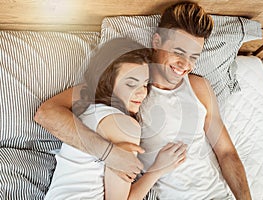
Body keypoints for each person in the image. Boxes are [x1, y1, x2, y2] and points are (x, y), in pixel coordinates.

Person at [35, 1, 252, 199]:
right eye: (178, 52)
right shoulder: (122, 83)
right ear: (156, 41)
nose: (184, 64)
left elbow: (226, 153)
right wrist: (108, 153)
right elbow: (47, 113)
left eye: (194, 57)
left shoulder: (199, 87)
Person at [44, 38, 187, 200]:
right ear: (108, 82)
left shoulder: (87, 110)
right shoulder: (124, 125)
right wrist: (157, 170)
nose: (141, 93)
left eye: (145, 84)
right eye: (131, 84)